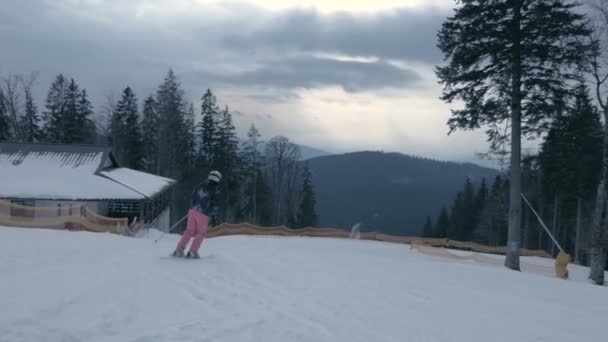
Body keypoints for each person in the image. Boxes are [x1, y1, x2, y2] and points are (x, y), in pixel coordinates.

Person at [172, 170, 222, 258]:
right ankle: (193, 251)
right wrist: (213, 217)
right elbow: (214, 204)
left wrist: (193, 207)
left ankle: (179, 250)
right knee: (201, 233)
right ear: (218, 180)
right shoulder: (215, 190)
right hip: (204, 214)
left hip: (192, 211)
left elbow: (193, 196)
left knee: (189, 231)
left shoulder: (200, 185)